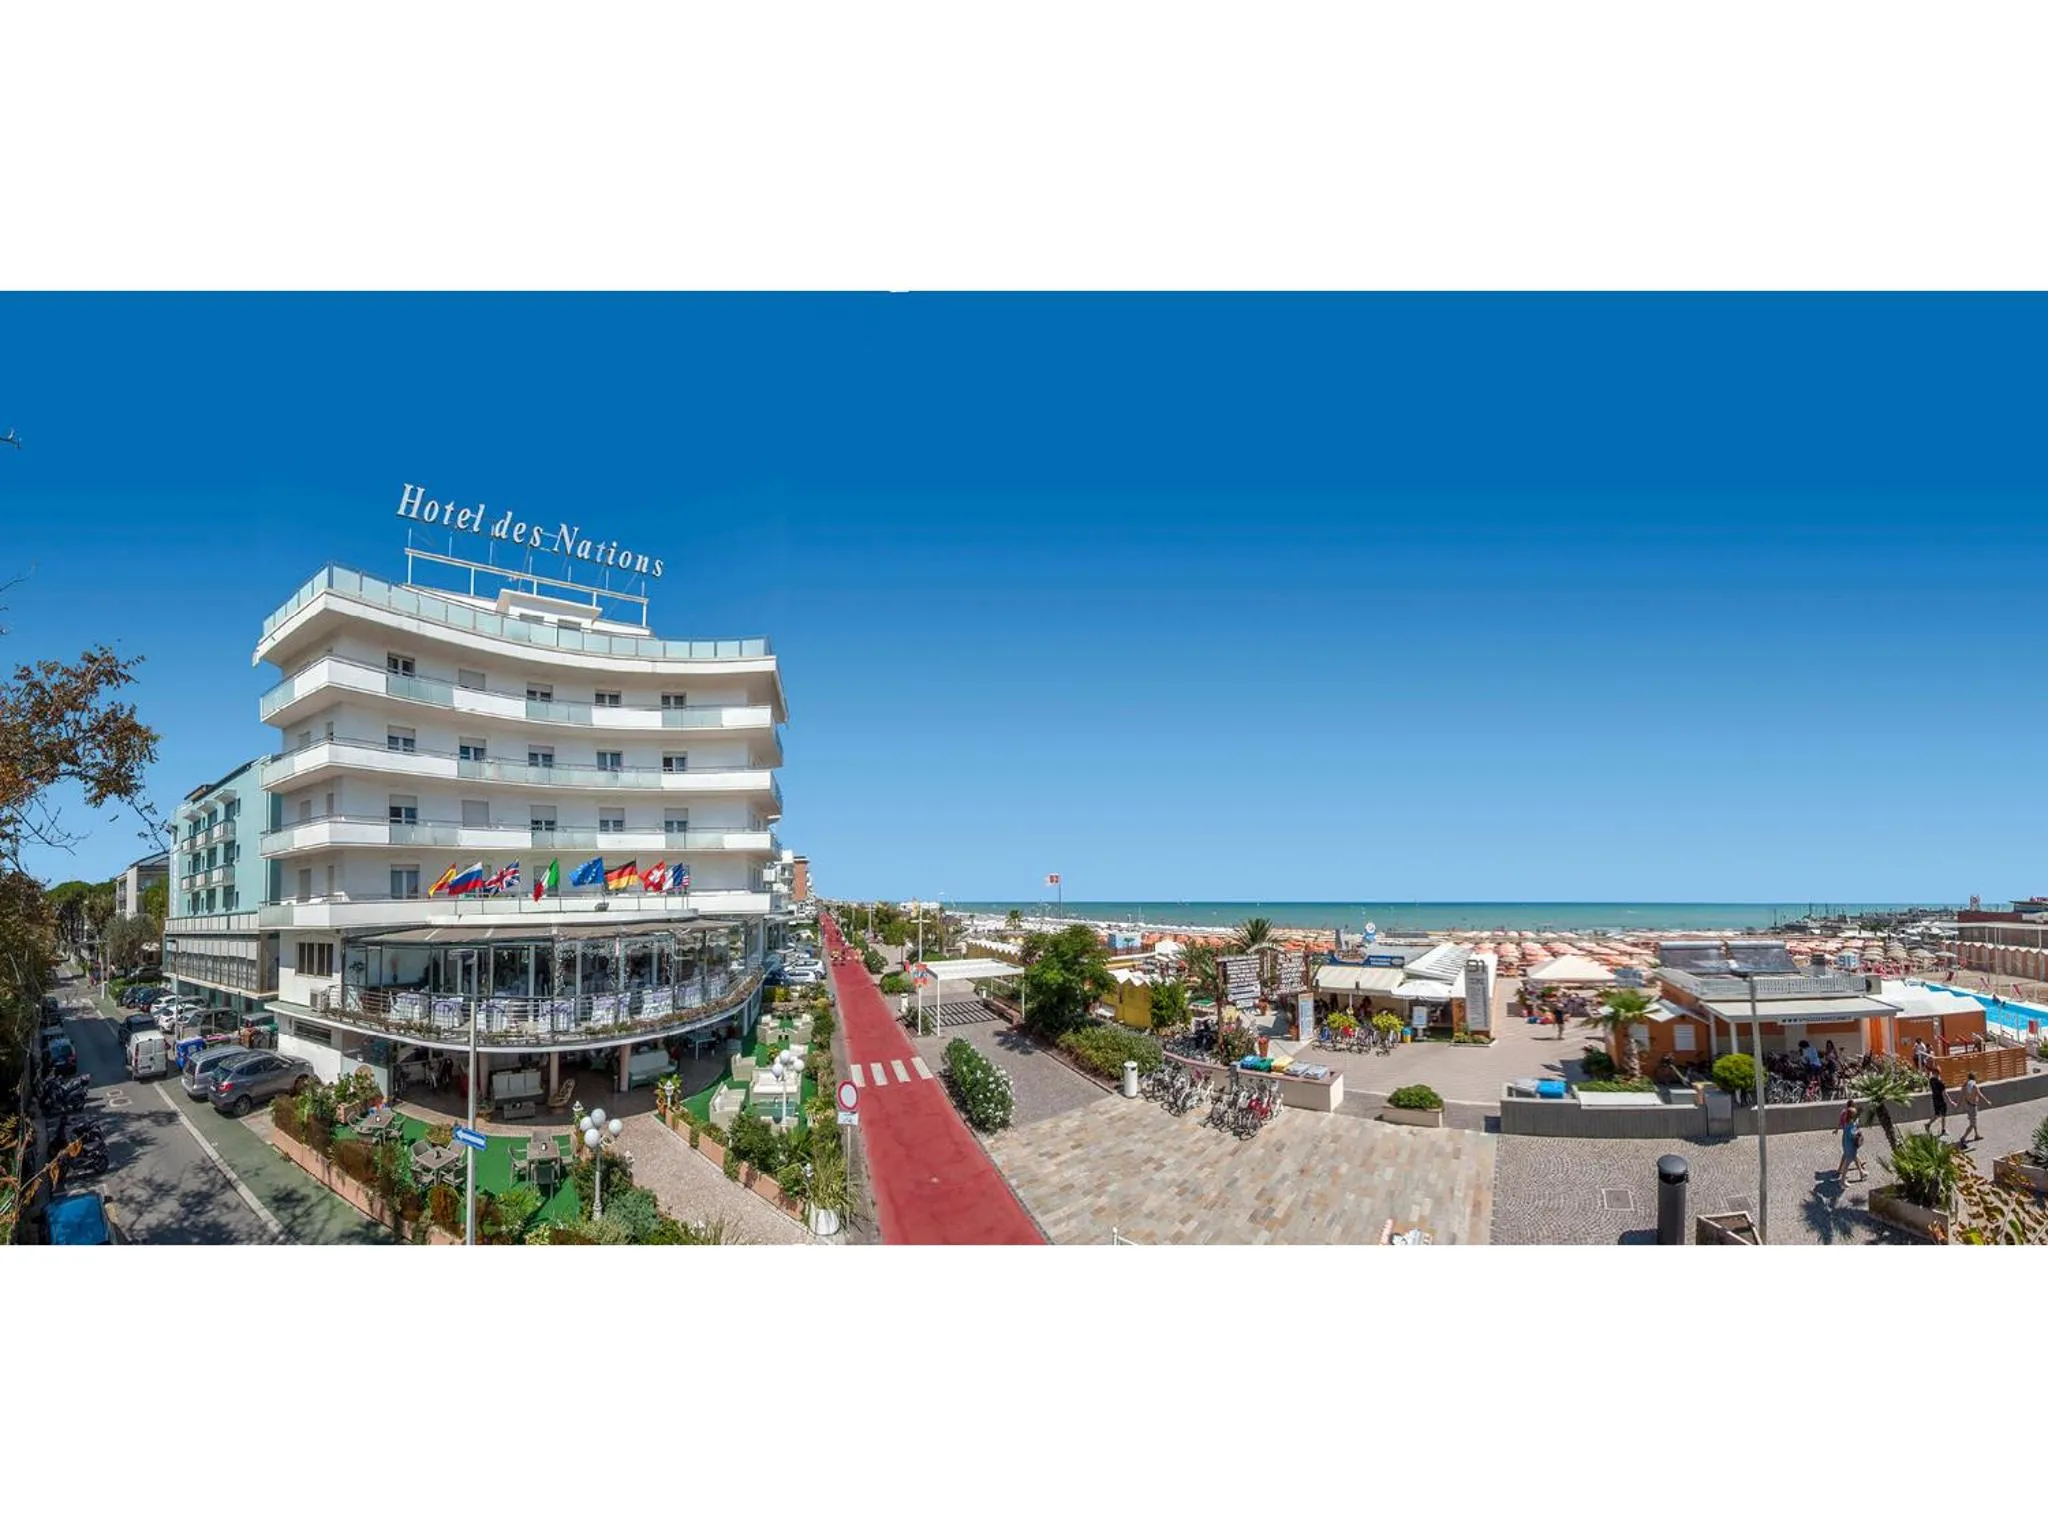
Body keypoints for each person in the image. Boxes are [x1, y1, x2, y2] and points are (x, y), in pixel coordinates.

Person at [1835, 1102, 1866, 1183]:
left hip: (1847, 1144)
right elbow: (1851, 1134)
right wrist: (1857, 1133)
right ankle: (1842, 1180)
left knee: (1853, 1157)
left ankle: (1861, 1172)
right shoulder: (1851, 1124)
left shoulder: (1847, 1121)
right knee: (1848, 1162)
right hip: (1850, 1146)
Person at [1958, 1072, 1990, 1144]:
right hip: (1972, 1106)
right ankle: (1963, 1138)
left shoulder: (1964, 1086)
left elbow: (1961, 1097)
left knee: (1973, 1121)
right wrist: (1987, 1101)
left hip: (1968, 1106)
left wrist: (1958, 1105)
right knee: (1972, 1124)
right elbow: (1980, 1095)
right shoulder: (1974, 1086)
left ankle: (1976, 1135)